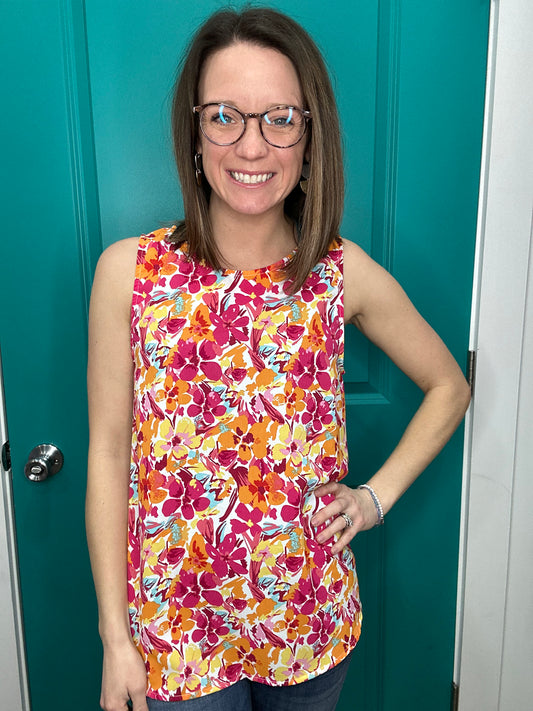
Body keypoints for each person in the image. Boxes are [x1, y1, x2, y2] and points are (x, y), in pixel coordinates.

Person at [86, 7, 471, 711]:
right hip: (176, 635)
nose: (252, 146)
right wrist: (116, 636)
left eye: (279, 119)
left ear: (307, 135)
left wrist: (372, 498)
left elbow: (448, 385)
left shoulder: (336, 273)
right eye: (225, 115)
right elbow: (109, 453)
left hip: (306, 619)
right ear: (195, 132)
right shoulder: (128, 273)